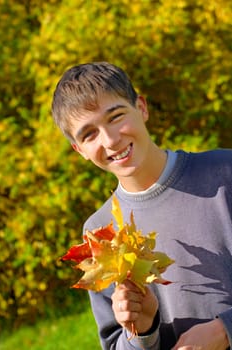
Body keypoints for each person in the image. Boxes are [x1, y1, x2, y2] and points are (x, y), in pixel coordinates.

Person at [52, 61, 232, 350]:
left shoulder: (225, 173)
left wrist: (226, 330)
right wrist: (143, 331)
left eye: (116, 116)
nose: (110, 140)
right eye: (89, 134)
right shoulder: (100, 233)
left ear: (142, 108)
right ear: (79, 149)